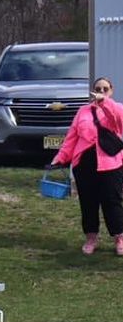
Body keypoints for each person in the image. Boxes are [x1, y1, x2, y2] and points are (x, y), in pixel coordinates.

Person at [49, 77, 123, 255]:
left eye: (105, 89)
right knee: (88, 202)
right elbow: (72, 137)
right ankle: (91, 238)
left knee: (112, 202)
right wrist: (60, 157)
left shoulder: (116, 108)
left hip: (110, 164)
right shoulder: (82, 112)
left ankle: (119, 238)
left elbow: (118, 121)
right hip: (85, 164)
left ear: (111, 91)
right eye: (98, 88)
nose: (101, 91)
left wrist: (104, 102)